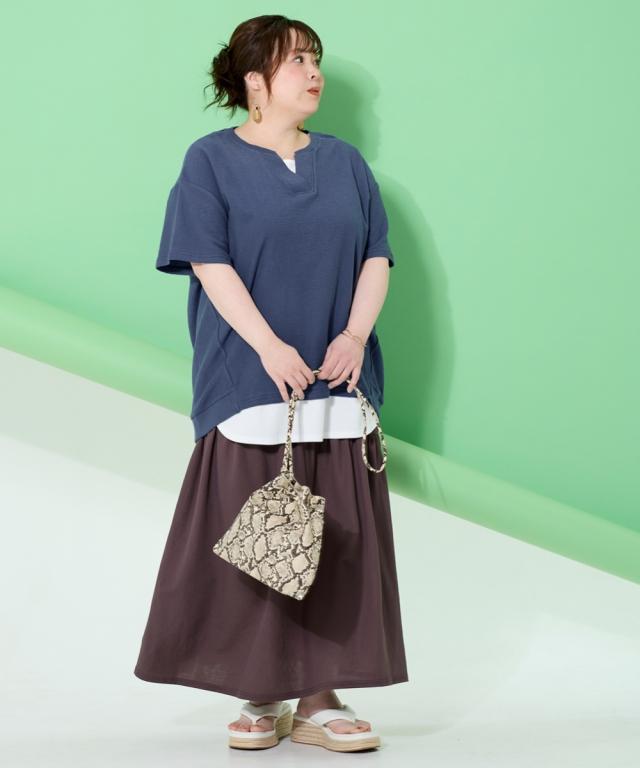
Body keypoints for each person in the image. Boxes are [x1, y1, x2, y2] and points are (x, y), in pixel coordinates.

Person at [133, 14, 409, 752]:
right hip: (249, 381)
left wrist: (353, 336)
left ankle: (319, 698)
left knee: (334, 544)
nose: (314, 73)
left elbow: (376, 256)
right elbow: (208, 261)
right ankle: (257, 689)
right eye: (297, 62)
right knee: (256, 539)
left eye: (316, 59)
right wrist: (269, 347)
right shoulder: (210, 160)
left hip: (337, 383)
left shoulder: (345, 162)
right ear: (255, 81)